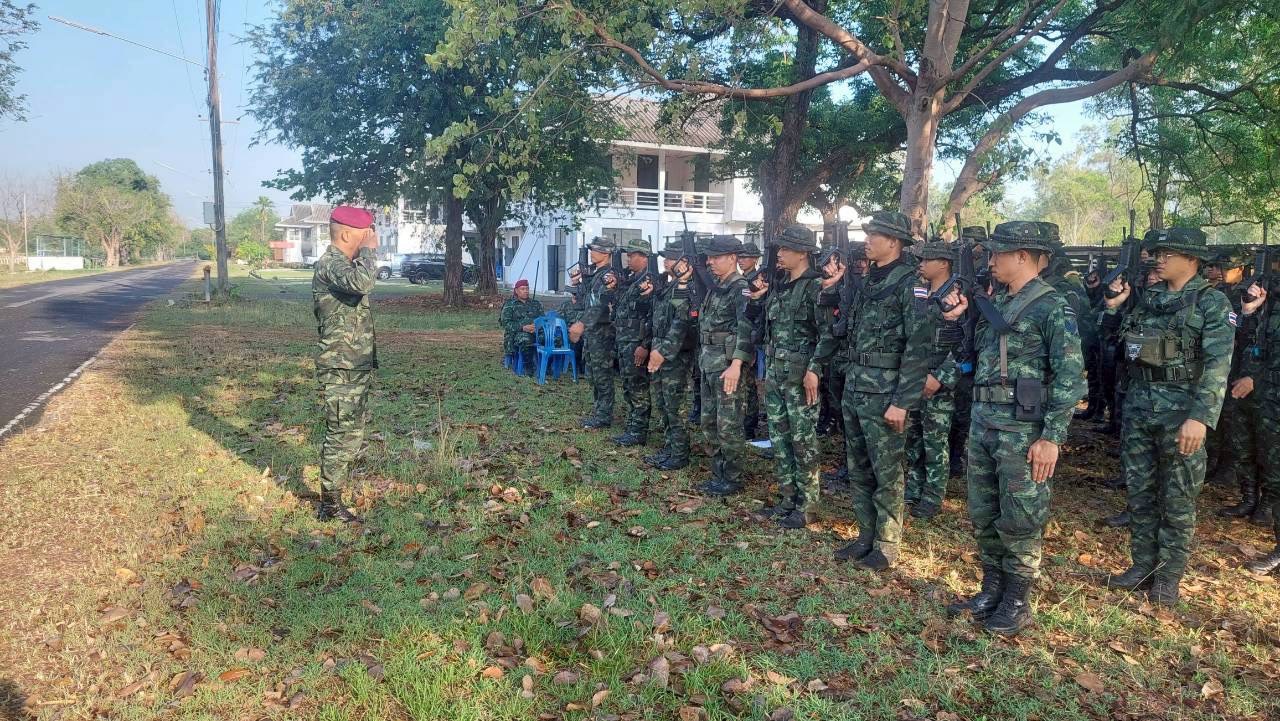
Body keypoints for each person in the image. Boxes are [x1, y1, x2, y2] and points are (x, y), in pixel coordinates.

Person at [941, 221, 1084, 636]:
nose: (991, 261)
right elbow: (975, 356)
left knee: (1021, 516)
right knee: (984, 511)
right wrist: (959, 318)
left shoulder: (1051, 305)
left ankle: (1017, 601)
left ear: (1022, 256)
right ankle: (992, 589)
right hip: (985, 421)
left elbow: (1070, 376)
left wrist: (1052, 437)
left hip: (1023, 429)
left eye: (997, 253)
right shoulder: (997, 301)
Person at [1102, 227, 1233, 605]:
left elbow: (1217, 366)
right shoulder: (1150, 299)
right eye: (1157, 254)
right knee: (1141, 493)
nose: (1158, 260)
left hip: (1182, 415)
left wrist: (1200, 418)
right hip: (1141, 408)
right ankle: (1143, 564)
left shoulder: (1211, 303)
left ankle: (1168, 575)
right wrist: (1113, 308)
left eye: (1167, 254)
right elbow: (1120, 345)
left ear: (1192, 259)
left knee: (1177, 498)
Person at [831, 211, 930, 571]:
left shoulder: (910, 285)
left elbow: (919, 348)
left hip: (886, 393)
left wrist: (902, 401)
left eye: (874, 235)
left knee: (886, 470)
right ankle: (865, 536)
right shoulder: (868, 281)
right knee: (859, 466)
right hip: (857, 386)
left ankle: (887, 545)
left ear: (894, 241)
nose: (867, 240)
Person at [753, 226, 836, 529]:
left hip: (801, 377)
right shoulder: (781, 285)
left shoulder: (815, 287)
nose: (780, 253)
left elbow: (828, 335)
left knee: (803, 441)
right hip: (777, 374)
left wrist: (815, 369)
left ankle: (808, 505)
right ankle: (788, 498)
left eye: (786, 249)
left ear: (803, 253)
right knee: (779, 438)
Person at [312, 205, 380, 523]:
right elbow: (363, 282)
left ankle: (334, 494)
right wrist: (369, 251)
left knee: (351, 432)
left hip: (353, 364)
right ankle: (329, 505)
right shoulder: (330, 265)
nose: (371, 239)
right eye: (365, 235)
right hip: (340, 366)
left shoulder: (344, 266)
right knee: (341, 433)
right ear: (346, 235)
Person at [904, 241, 962, 520]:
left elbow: (966, 345)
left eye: (927, 260)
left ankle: (933, 495)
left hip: (939, 381)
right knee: (913, 437)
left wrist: (941, 377)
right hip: (915, 375)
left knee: (935, 440)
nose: (921, 264)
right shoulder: (920, 292)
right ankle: (914, 487)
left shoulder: (958, 298)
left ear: (944, 263)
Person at [697, 235, 755, 496]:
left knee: (728, 424)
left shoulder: (739, 288)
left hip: (726, 365)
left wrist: (736, 364)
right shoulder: (717, 285)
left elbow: (746, 329)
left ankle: (732, 477)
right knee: (709, 421)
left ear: (732, 258)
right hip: (709, 361)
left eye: (716, 257)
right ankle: (718, 473)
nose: (710, 262)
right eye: (709, 257)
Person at [1213, 250, 1263, 518]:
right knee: (1235, 429)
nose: (1222, 271)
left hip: (1258, 378)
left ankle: (1265, 502)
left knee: (1262, 442)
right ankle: (1247, 495)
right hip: (1236, 370)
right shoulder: (1228, 294)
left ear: (1242, 268)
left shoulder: (1255, 294)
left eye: (1227, 267)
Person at [1239, 267, 1280, 573]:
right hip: (1270, 403)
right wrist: (1250, 312)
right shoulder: (1272, 305)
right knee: (1275, 475)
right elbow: (1253, 347)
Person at [645, 241, 696, 470]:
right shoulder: (667, 285)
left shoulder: (688, 288)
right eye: (665, 258)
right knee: (662, 402)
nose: (666, 262)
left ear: (684, 262)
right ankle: (670, 447)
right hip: (659, 349)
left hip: (676, 354)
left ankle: (680, 453)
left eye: (671, 258)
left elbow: (681, 324)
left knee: (675, 405)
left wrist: (663, 351)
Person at [610, 239, 655, 446]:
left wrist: (645, 345)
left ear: (644, 257)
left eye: (632, 255)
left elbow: (652, 316)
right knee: (629, 386)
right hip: (625, 340)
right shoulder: (632, 280)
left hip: (636, 342)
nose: (628, 259)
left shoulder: (649, 282)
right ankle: (632, 426)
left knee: (638, 387)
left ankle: (638, 431)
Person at [572, 237, 618, 429]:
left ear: (606, 253)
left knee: (602, 375)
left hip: (602, 333)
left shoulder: (608, 276)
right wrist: (578, 284)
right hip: (593, 333)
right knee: (592, 374)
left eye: (596, 250)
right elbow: (587, 301)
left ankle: (604, 416)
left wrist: (582, 323)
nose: (592, 253)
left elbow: (600, 304)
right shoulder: (596, 274)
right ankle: (599, 411)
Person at [739, 242, 766, 441]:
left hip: (752, 337)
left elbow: (759, 314)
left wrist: (754, 344)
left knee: (749, 385)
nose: (741, 260)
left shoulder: (759, 280)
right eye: (739, 257)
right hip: (741, 336)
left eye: (745, 257)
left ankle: (750, 424)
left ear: (755, 259)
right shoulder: (741, 279)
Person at [499, 279, 543, 373]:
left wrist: (537, 326)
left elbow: (543, 319)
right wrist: (522, 327)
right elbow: (505, 323)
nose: (526, 291)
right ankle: (528, 366)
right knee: (525, 339)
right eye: (523, 289)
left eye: (527, 289)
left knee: (556, 339)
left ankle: (547, 366)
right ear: (516, 291)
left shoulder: (536, 304)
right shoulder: (510, 305)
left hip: (536, 332)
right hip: (517, 334)